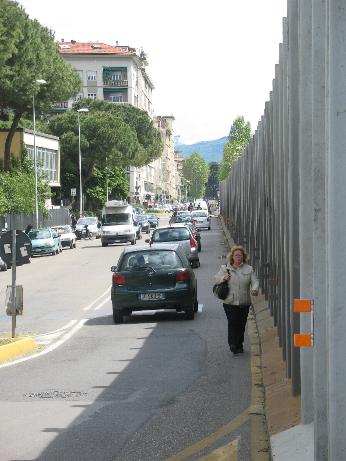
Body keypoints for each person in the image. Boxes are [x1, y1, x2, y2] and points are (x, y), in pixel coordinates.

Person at [213, 245, 259, 355]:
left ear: (243, 257)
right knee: (233, 322)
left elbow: (255, 281)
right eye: (236, 255)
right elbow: (216, 279)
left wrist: (254, 289)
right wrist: (223, 278)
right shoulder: (225, 269)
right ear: (232, 257)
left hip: (244, 302)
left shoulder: (249, 269)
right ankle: (233, 344)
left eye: (240, 255)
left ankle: (239, 344)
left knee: (241, 324)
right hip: (230, 302)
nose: (238, 257)